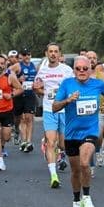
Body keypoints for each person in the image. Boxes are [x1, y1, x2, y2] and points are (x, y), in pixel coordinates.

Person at [52, 56, 104, 207]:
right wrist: (68, 100)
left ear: (91, 69)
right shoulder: (67, 84)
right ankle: (76, 202)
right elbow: (54, 107)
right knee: (76, 170)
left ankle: (87, 196)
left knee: (85, 163)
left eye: (85, 68)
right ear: (74, 70)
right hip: (71, 134)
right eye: (78, 69)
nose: (82, 72)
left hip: (90, 131)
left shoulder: (98, 84)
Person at [34, 43, 74, 188]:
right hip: (49, 110)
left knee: (63, 144)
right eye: (50, 51)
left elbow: (74, 87)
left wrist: (66, 95)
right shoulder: (42, 71)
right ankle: (54, 175)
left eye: (55, 52)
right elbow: (36, 87)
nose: (53, 54)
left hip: (65, 110)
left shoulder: (67, 70)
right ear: (46, 53)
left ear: (59, 54)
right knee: (52, 143)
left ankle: (61, 153)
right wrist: (43, 92)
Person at [16, 50, 38, 153]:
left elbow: (39, 79)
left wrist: (37, 85)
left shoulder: (34, 66)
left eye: (28, 54)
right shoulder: (18, 66)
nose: (27, 56)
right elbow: (7, 74)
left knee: (29, 118)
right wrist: (17, 79)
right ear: (21, 56)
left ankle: (28, 141)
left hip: (30, 95)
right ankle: (23, 140)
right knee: (22, 119)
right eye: (24, 55)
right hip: (20, 95)